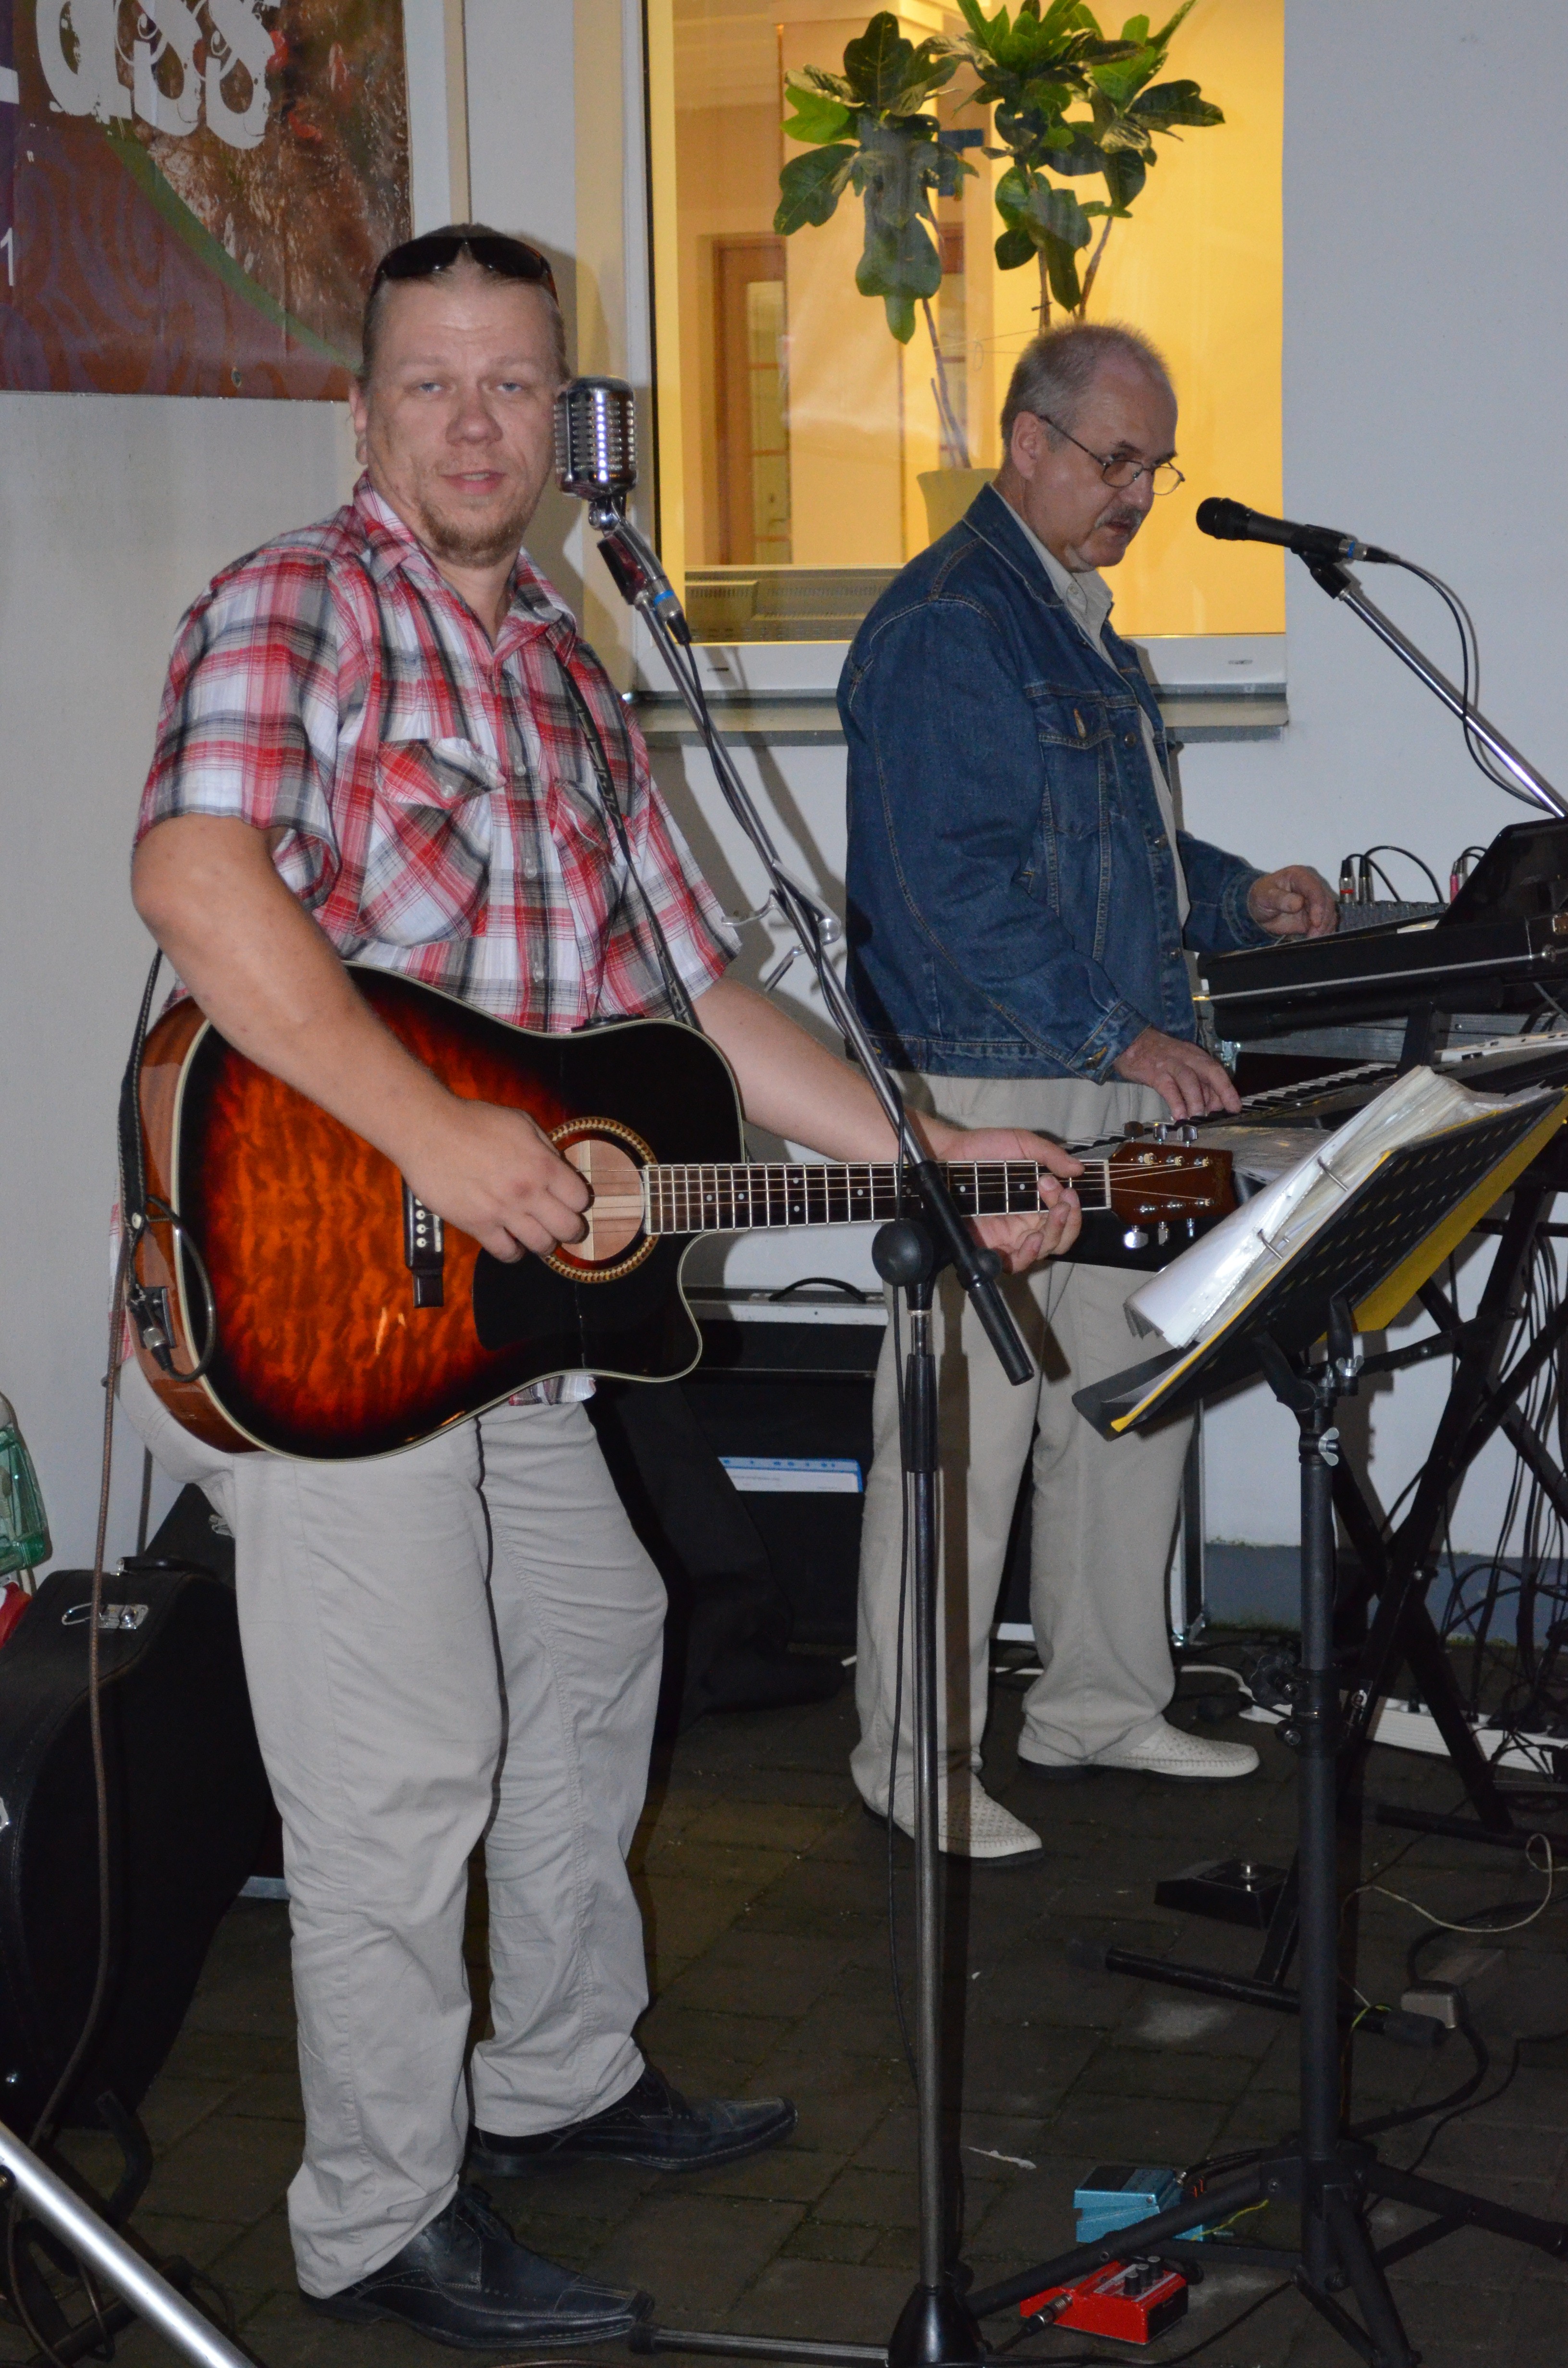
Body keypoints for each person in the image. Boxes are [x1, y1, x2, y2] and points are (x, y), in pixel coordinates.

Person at [118, 225, 1083, 2349]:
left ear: (564, 418)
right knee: (402, 1771)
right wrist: (438, 1136)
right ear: (361, 412)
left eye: (515, 386)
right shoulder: (300, 604)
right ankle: (378, 2214)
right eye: (432, 383)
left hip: (507, 1331)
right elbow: (196, 874)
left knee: (595, 1640)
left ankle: (555, 2072)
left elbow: (701, 994)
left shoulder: (565, 657)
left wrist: (932, 1149)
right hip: (327, 1289)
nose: (477, 424)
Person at [842, 321, 1338, 1863]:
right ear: (1029, 442)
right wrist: (1125, 1038)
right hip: (995, 1076)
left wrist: (1241, 899)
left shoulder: (1080, 626)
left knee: (1130, 1401)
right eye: (1117, 460)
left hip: (1117, 1071)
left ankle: (1099, 1703)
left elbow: (1115, 855)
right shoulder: (950, 625)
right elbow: (950, 893)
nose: (1136, 493)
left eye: (1154, 467)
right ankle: (913, 1755)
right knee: (965, 1430)